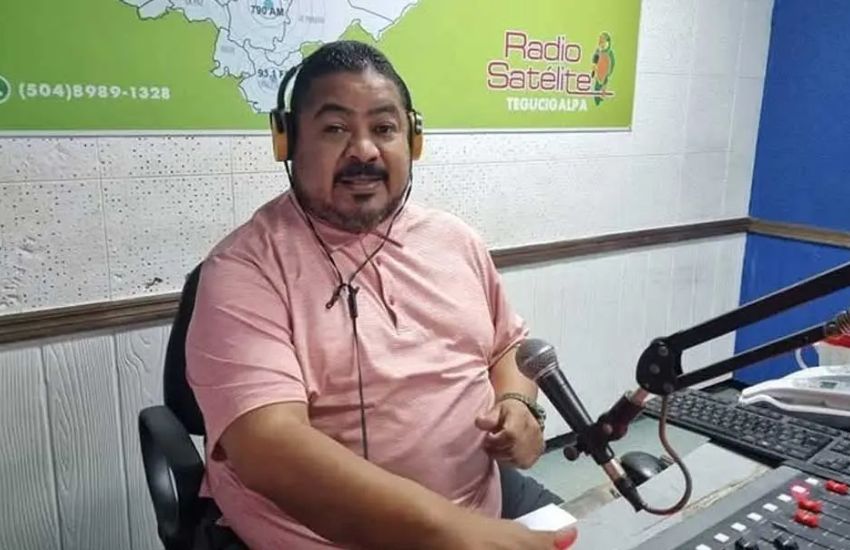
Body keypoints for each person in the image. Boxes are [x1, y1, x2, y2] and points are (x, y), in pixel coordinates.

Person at [185, 40, 576, 550]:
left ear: (413, 140)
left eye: (384, 128)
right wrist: (454, 534)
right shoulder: (243, 269)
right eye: (335, 129)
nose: (365, 151)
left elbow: (509, 347)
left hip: (481, 509)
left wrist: (518, 403)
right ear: (287, 141)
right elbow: (269, 448)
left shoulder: (455, 240)